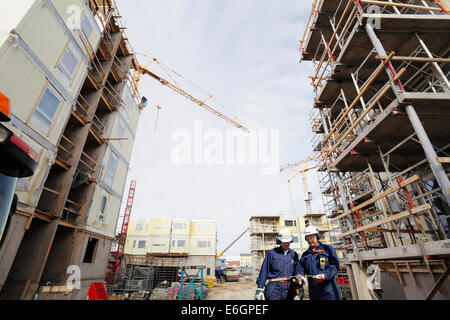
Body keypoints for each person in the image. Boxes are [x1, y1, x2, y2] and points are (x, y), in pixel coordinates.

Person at [295, 226, 341, 300]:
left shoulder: (328, 249)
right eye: (307, 239)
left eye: (312, 237)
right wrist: (299, 275)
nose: (310, 241)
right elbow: (300, 267)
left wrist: (324, 275)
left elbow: (335, 266)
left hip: (329, 291)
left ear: (317, 237)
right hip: (314, 292)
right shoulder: (305, 254)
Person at [255, 229, 299, 300]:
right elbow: (264, 270)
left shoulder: (294, 254)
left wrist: (298, 286)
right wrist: (260, 288)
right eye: (283, 242)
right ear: (279, 241)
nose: (286, 244)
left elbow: (297, 270)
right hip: (274, 288)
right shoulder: (272, 253)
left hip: (289, 288)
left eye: (287, 242)